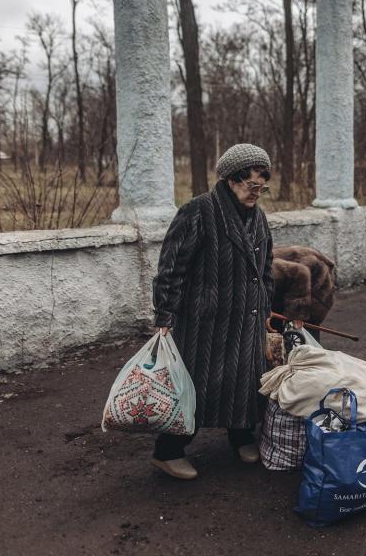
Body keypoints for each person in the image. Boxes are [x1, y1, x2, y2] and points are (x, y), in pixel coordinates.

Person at [150, 143, 282, 480]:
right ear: (230, 179)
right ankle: (168, 451)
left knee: (246, 381)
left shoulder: (259, 217)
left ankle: (240, 435)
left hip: (248, 317)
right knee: (196, 385)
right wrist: (165, 316)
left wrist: (266, 305)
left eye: (262, 186)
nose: (257, 193)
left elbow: (266, 265)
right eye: (251, 185)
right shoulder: (198, 211)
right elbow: (171, 268)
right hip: (204, 322)